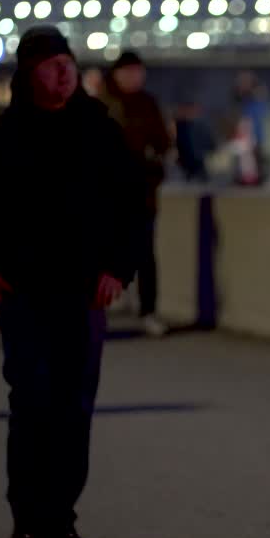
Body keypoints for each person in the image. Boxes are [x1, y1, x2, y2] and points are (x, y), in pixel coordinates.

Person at [0, 27, 144, 538]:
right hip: (26, 293)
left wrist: (118, 268)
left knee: (74, 408)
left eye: (68, 63)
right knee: (32, 403)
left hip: (84, 295)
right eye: (52, 65)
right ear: (29, 74)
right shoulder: (0, 134)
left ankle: (61, 519)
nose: (64, 73)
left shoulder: (98, 129)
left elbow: (133, 204)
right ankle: (28, 523)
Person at [106, 51, 172, 338]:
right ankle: (102, 307)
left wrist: (153, 161)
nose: (135, 77)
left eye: (138, 72)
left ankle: (148, 310)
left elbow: (163, 143)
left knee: (145, 254)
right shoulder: (104, 105)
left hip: (143, 191)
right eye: (129, 72)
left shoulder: (149, 104)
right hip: (110, 194)